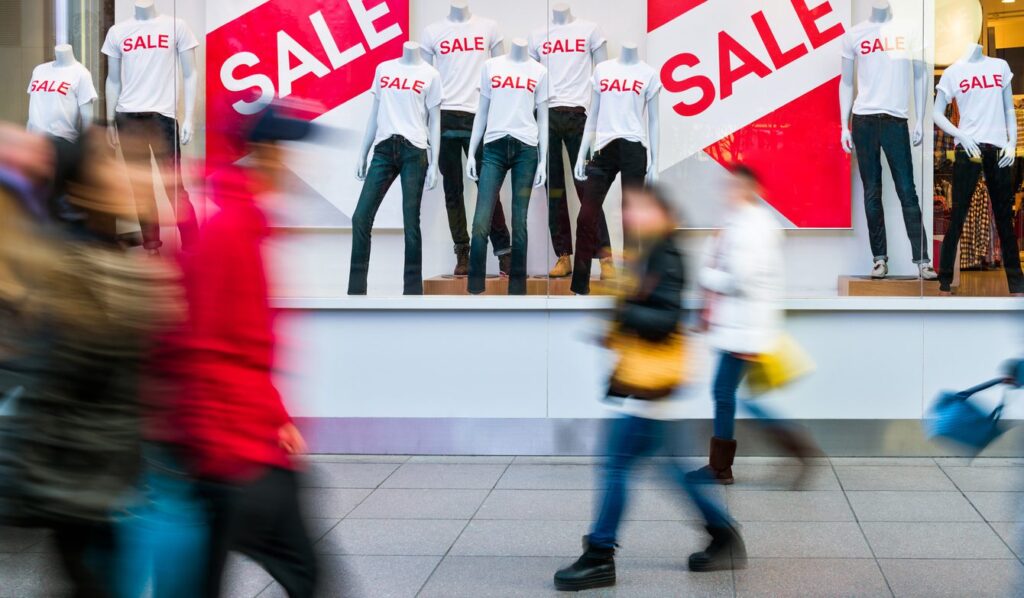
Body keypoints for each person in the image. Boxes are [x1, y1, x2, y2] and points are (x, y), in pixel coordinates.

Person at [0, 126, 182, 597]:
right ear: (82, 190)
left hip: (113, 494)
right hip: (85, 498)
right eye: (115, 164)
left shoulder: (119, 265)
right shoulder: (73, 273)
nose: (136, 175)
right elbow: (49, 395)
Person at [553, 185, 745, 592]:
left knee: (616, 464)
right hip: (648, 379)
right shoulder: (652, 250)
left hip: (653, 381)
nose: (632, 214)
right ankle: (722, 534)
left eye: (640, 208)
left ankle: (600, 555)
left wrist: (623, 311)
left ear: (660, 211)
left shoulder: (667, 254)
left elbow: (665, 319)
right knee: (667, 470)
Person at [176, 105, 317, 598]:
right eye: (291, 153)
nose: (299, 167)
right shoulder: (230, 231)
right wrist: (255, 431)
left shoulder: (244, 224)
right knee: (306, 574)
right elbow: (209, 344)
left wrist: (276, 417)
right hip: (236, 451)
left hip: (241, 439)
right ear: (269, 155)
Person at [686, 165, 815, 486]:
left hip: (746, 330)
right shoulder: (740, 224)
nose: (727, 192)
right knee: (733, 394)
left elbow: (739, 278)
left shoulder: (751, 227)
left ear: (750, 190)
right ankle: (727, 466)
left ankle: (732, 465)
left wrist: (707, 276)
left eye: (734, 187)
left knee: (727, 393)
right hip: (742, 328)